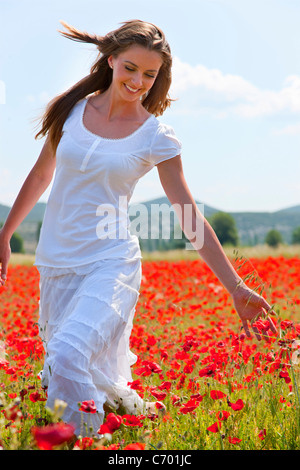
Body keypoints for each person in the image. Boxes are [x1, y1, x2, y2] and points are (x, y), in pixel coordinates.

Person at [0, 20, 276, 437]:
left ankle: (88, 441)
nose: (138, 82)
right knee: (67, 361)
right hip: (57, 260)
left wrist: (235, 286)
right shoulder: (73, 111)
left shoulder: (155, 136)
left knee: (70, 350)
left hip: (111, 261)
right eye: (130, 68)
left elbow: (187, 212)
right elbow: (41, 175)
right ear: (110, 60)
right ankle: (105, 421)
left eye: (150, 74)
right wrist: (4, 235)